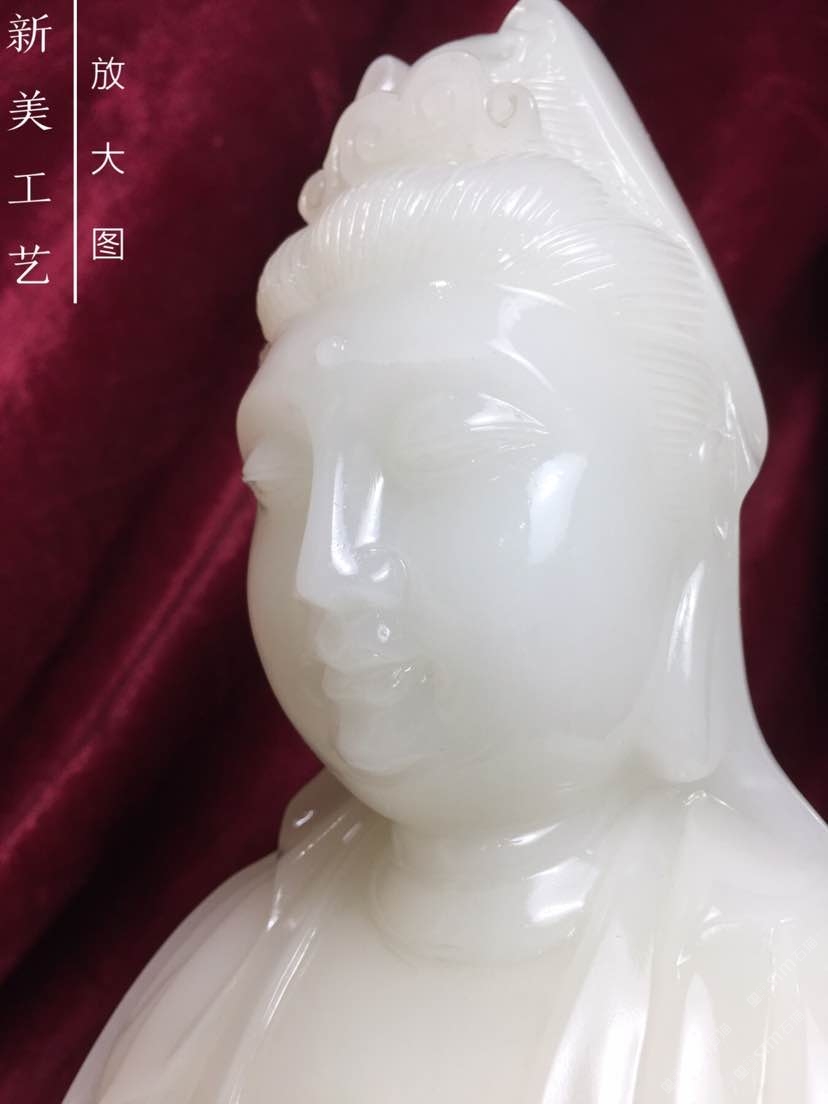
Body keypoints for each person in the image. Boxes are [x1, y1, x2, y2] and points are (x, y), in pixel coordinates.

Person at [64, 3, 828, 1101]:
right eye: (281, 489)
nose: (327, 573)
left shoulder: (786, 995)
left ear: (677, 504)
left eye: (444, 456)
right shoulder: (218, 978)